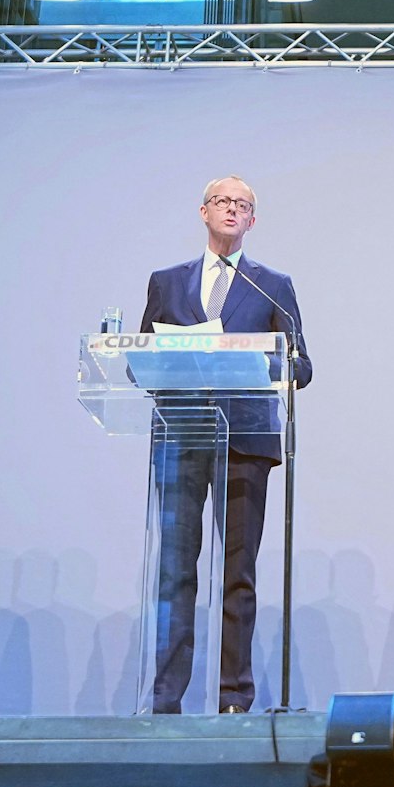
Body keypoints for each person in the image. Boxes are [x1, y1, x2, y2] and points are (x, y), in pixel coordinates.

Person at [140, 175, 312, 714]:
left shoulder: (272, 285)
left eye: (243, 205)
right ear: (204, 211)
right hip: (182, 437)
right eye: (223, 201)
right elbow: (141, 358)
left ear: (252, 220)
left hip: (246, 442)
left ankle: (234, 696)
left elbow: (302, 366)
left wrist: (254, 359)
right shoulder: (167, 282)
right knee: (175, 571)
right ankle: (165, 698)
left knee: (238, 572)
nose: (232, 210)